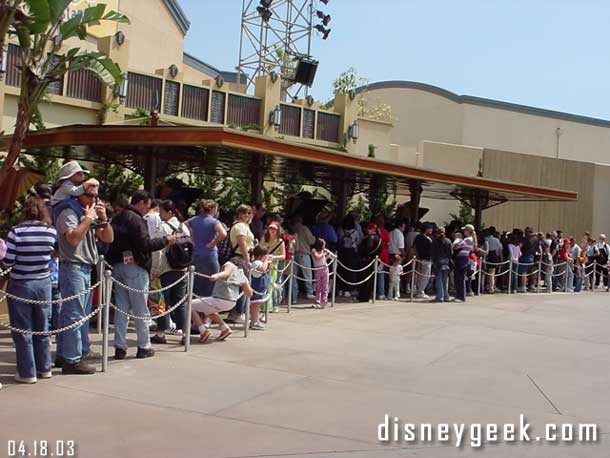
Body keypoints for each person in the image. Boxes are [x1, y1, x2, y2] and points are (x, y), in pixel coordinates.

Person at [106, 190, 176, 360]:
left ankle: (119, 347)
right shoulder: (136, 220)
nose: (148, 210)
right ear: (142, 202)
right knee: (140, 308)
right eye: (148, 205)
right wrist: (166, 240)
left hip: (118, 265)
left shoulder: (118, 217)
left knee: (122, 308)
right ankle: (144, 346)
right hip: (135, 267)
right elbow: (145, 244)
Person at [54, 180, 113, 374]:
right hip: (73, 266)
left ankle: (65, 355)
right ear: (78, 194)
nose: (94, 199)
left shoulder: (89, 213)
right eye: (89, 195)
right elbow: (72, 239)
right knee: (74, 315)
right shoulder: (68, 212)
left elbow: (108, 238)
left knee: (76, 314)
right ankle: (72, 359)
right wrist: (87, 220)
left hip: (86, 267)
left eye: (96, 196)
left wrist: (103, 219)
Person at [4, 198, 57, 383]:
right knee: (42, 328)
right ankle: (45, 368)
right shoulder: (51, 231)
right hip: (43, 283)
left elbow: (9, 261)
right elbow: (53, 254)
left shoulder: (15, 232)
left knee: (22, 330)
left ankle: (27, 373)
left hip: (20, 283)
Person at [151, 200, 191, 345]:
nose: (159, 215)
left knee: (163, 302)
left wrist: (154, 270)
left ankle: (161, 333)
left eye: (161, 212)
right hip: (182, 268)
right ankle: (185, 333)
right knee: (180, 302)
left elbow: (158, 252)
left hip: (166, 269)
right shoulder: (184, 227)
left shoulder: (163, 228)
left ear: (169, 212)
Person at [191, 257, 254, 342]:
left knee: (189, 305)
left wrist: (216, 276)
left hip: (220, 299)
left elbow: (226, 272)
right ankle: (225, 329)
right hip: (231, 302)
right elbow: (249, 293)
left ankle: (203, 331)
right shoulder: (241, 274)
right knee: (209, 311)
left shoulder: (230, 264)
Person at [187, 200, 226, 297]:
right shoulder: (214, 221)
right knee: (211, 283)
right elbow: (223, 233)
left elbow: (182, 226)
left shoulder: (194, 220)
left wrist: (191, 238)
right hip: (209, 255)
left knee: (195, 284)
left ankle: (196, 309)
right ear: (213, 209)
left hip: (196, 254)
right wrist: (213, 242)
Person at [228, 204, 256, 323]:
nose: (247, 215)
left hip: (244, 257)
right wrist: (247, 259)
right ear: (239, 214)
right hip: (240, 258)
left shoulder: (245, 226)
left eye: (249, 213)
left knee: (242, 286)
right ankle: (237, 312)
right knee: (242, 286)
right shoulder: (240, 226)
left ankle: (239, 312)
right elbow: (242, 243)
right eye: (244, 212)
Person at [260, 221, 286, 313]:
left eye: (274, 229)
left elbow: (283, 256)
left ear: (278, 230)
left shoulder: (280, 242)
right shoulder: (264, 238)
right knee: (263, 285)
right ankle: (262, 306)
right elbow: (259, 250)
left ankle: (268, 307)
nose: (272, 230)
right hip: (263, 265)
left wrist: (274, 257)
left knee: (270, 286)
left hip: (273, 266)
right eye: (270, 228)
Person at [336, 213, 362, 298]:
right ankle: (349, 289)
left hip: (342, 252)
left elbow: (338, 239)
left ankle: (340, 289)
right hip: (352, 252)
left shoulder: (341, 230)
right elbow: (359, 241)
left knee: (341, 270)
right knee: (351, 271)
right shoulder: (355, 231)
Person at [292, 215, 316, 300]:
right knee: (307, 274)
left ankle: (293, 294)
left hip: (294, 255)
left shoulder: (292, 229)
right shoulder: (304, 228)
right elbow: (311, 240)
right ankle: (309, 292)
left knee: (293, 275)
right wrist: (314, 237)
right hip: (304, 253)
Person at [249, 245, 271, 329]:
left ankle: (255, 320)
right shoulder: (256, 262)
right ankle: (254, 321)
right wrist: (266, 261)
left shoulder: (259, 262)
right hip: (257, 287)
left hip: (261, 287)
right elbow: (262, 269)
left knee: (257, 305)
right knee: (255, 304)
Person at [358, 223, 381, 302]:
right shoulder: (379, 238)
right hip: (374, 260)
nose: (367, 230)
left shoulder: (370, 238)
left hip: (367, 260)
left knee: (365, 279)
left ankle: (363, 296)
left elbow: (368, 248)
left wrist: (363, 255)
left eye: (369, 229)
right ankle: (368, 295)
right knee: (371, 279)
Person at [432, 227, 452, 302]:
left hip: (437, 261)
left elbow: (432, 252)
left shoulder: (435, 241)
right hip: (446, 261)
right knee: (445, 280)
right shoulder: (448, 241)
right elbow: (451, 253)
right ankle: (446, 296)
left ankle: (440, 296)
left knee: (439, 279)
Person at [413, 223, 434, 299]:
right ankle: (421, 291)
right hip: (426, 258)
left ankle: (419, 290)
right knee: (425, 276)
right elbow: (427, 249)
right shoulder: (425, 238)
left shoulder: (418, 237)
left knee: (420, 275)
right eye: (430, 228)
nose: (431, 230)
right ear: (427, 229)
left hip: (420, 258)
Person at [373, 214, 391, 300]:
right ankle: (381, 292)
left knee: (376, 274)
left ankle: (375, 291)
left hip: (375, 255)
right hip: (382, 255)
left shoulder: (373, 231)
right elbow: (387, 243)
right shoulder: (384, 231)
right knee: (381, 274)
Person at [311, 238, 330, 308]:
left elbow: (325, 258)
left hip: (324, 268)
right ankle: (317, 300)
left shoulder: (323, 251)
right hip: (317, 269)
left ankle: (324, 301)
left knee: (325, 286)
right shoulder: (314, 250)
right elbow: (317, 257)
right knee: (318, 286)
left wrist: (327, 255)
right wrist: (322, 252)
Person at [484, 227, 503, 294]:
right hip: (494, 256)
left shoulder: (485, 239)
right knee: (492, 273)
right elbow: (499, 250)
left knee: (486, 272)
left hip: (486, 255)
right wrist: (500, 259)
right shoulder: (497, 240)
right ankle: (491, 288)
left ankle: (486, 286)